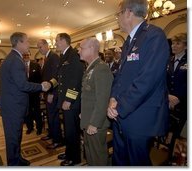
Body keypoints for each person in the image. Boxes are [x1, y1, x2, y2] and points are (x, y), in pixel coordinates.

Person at [107, 0, 170, 166]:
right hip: (121, 114)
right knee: (120, 161)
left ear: (128, 13)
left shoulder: (154, 35)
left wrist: (119, 107)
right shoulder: (129, 41)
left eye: (118, 14)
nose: (117, 18)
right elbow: (120, 76)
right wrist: (113, 98)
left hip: (140, 117)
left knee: (137, 163)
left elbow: (147, 80)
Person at [0, 32, 50, 166]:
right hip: (13, 107)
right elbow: (22, 85)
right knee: (12, 138)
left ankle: (17, 158)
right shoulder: (15, 60)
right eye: (27, 41)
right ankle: (14, 164)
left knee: (16, 136)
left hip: (13, 106)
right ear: (19, 43)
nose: (29, 44)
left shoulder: (13, 58)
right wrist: (41, 86)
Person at [49, 33, 84, 166]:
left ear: (64, 41)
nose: (55, 43)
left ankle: (74, 158)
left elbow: (75, 80)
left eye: (57, 40)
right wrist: (50, 84)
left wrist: (69, 99)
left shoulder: (74, 55)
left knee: (72, 131)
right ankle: (69, 152)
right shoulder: (64, 55)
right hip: (65, 100)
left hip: (71, 102)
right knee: (68, 130)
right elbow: (60, 77)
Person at [79, 37, 113, 165]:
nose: (79, 51)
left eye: (81, 48)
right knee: (90, 155)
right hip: (88, 119)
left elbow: (103, 99)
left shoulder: (101, 68)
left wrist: (94, 123)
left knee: (98, 157)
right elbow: (90, 95)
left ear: (91, 49)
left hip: (95, 124)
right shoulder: (91, 67)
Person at [37, 39, 63, 147]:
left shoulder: (54, 57)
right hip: (47, 92)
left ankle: (57, 140)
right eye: (38, 47)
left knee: (54, 117)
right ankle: (51, 135)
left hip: (53, 92)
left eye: (40, 47)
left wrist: (51, 93)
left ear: (47, 45)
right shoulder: (47, 58)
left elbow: (56, 76)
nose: (39, 49)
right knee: (50, 116)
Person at [166, 33, 187, 160]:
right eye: (173, 43)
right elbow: (163, 80)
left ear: (185, 46)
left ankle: (175, 160)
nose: (174, 46)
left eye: (178, 43)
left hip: (184, 104)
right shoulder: (169, 60)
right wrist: (168, 95)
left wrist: (179, 97)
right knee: (168, 132)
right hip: (168, 102)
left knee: (179, 137)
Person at [23, 52, 43, 135]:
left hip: (35, 93)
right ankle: (30, 127)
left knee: (37, 111)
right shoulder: (20, 66)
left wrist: (41, 91)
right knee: (28, 112)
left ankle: (39, 128)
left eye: (28, 55)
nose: (26, 56)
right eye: (25, 55)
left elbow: (40, 79)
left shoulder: (35, 65)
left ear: (29, 56)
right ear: (22, 56)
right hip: (25, 94)